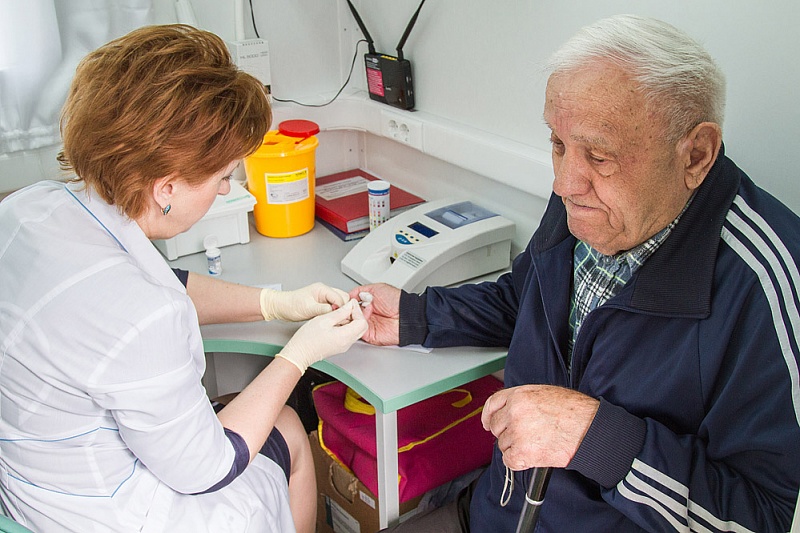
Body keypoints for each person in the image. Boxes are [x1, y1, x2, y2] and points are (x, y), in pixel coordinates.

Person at [352, 14, 800, 532]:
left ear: (695, 154)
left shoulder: (763, 283)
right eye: (558, 145)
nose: (564, 182)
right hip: (498, 510)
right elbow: (525, 302)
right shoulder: (587, 198)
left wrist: (594, 438)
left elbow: (760, 517)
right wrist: (413, 316)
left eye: (600, 156)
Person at [0, 25, 367, 532]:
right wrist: (299, 355)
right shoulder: (142, 314)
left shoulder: (28, 208)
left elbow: (154, 279)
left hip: (28, 489)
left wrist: (274, 304)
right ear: (166, 186)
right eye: (221, 177)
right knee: (287, 428)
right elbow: (207, 469)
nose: (224, 191)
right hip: (108, 514)